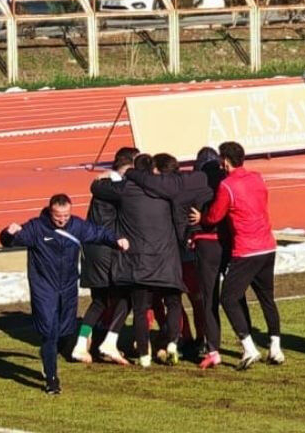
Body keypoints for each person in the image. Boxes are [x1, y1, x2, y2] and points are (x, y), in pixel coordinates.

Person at [0, 194, 129, 395]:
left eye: (66, 215)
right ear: (50, 212)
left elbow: (97, 233)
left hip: (68, 287)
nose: (62, 220)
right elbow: (10, 240)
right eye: (58, 216)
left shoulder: (77, 226)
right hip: (44, 288)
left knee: (65, 331)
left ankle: (49, 355)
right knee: (49, 332)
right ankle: (52, 379)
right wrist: (9, 233)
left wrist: (116, 240)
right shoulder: (36, 228)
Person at [192, 141, 285, 370]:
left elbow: (214, 216)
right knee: (267, 298)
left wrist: (200, 218)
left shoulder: (227, 186)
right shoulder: (257, 177)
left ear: (224, 161)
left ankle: (249, 347)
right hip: (268, 245)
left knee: (227, 298)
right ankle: (276, 347)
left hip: (246, 249)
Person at [91, 155, 186, 368]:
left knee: (140, 308)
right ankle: (172, 342)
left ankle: (144, 355)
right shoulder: (165, 191)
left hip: (138, 262)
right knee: (173, 302)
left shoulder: (126, 189)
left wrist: (107, 176)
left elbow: (97, 188)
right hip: (166, 259)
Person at [123, 152, 215, 365]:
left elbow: (149, 182)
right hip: (190, 249)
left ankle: (182, 337)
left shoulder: (168, 189)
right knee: (194, 298)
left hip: (176, 252)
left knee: (171, 298)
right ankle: (194, 339)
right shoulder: (196, 181)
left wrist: (130, 172)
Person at [72, 146, 137, 364]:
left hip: (94, 247)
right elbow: (125, 193)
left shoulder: (104, 184)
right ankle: (109, 342)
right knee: (126, 294)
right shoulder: (114, 186)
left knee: (100, 300)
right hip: (106, 249)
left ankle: (81, 345)